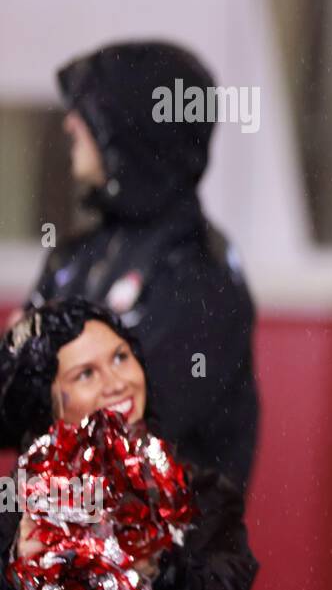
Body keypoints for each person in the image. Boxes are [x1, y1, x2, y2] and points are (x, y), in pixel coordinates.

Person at [22, 41, 260, 492]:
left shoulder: (201, 275)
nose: (69, 122)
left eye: (91, 113)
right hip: (63, 547)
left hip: (162, 556)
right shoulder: (76, 256)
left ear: (134, 131)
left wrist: (45, 376)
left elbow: (124, 432)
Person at [0, 298, 258, 590]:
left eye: (121, 357)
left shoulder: (201, 495)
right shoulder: (13, 508)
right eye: (85, 374)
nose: (117, 383)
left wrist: (157, 571)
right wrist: (21, 579)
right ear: (46, 404)